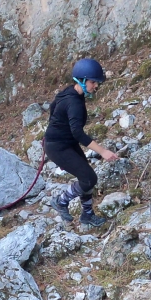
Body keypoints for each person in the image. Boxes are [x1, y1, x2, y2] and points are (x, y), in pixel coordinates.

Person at [45, 58, 120, 227]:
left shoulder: (69, 92)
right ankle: (61, 201)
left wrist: (55, 127)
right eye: (93, 82)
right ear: (82, 80)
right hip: (58, 147)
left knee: (86, 177)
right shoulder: (74, 102)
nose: (96, 86)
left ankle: (87, 215)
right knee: (89, 178)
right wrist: (103, 151)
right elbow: (78, 133)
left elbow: (53, 107)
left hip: (64, 143)